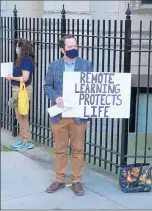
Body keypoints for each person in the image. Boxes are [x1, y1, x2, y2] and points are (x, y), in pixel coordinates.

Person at [43, 34, 93, 196]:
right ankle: (59, 179)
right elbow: (47, 86)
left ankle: (76, 181)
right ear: (62, 49)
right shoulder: (54, 66)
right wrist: (56, 97)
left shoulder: (86, 65)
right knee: (60, 149)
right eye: (70, 47)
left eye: (75, 46)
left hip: (78, 115)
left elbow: (92, 88)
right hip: (60, 115)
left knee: (78, 149)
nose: (74, 49)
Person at [6, 38, 36, 151]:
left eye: (18, 46)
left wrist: (12, 77)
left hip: (22, 91)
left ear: (22, 48)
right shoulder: (21, 59)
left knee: (22, 116)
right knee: (19, 116)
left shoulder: (26, 61)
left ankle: (27, 141)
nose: (16, 49)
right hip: (18, 90)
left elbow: (25, 78)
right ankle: (24, 138)